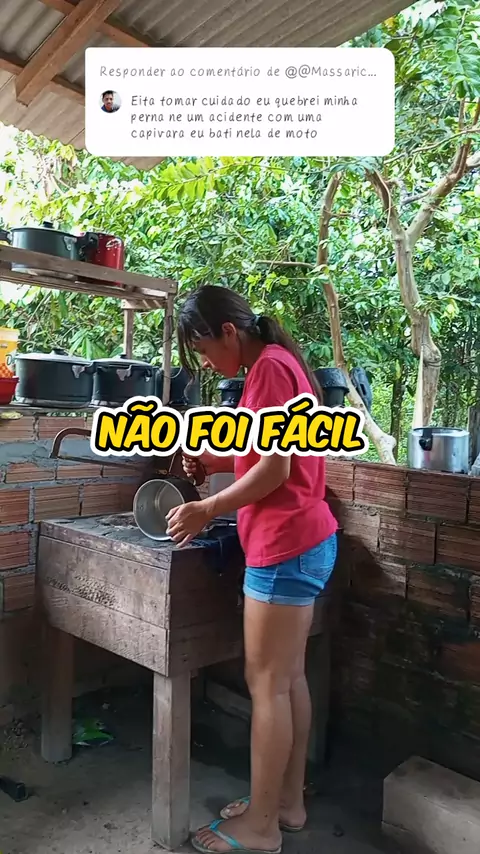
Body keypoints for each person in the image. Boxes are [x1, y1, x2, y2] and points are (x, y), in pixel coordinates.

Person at [166, 285, 338, 854]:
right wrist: (214, 458)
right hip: (304, 541)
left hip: (284, 546)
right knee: (287, 681)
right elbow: (269, 451)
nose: (208, 363)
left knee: (267, 687)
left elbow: (276, 470)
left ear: (228, 332)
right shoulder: (280, 365)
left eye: (204, 351)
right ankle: (285, 803)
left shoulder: (268, 371)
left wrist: (207, 507)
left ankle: (261, 827)